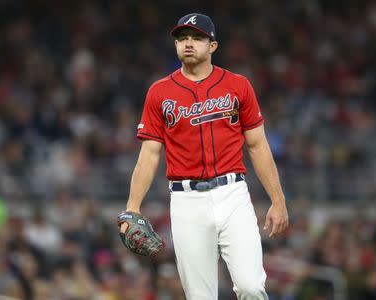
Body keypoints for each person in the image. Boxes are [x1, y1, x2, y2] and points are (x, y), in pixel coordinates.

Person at [120, 13, 289, 300]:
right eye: (182, 38)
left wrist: (278, 200)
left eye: (197, 38)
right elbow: (149, 154)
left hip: (233, 193)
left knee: (251, 286)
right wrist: (132, 207)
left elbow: (258, 145)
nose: (188, 43)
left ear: (212, 46)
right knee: (200, 296)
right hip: (187, 201)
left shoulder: (238, 86)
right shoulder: (160, 92)